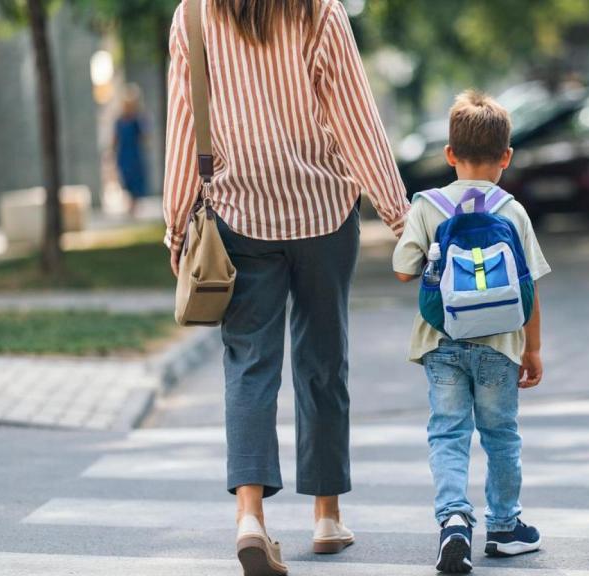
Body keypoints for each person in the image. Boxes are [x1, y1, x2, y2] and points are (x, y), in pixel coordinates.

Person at [162, 1, 409, 575]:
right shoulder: (318, 10)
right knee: (324, 356)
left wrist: (177, 225)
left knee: (249, 362)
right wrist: (399, 217)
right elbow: (356, 119)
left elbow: (183, 124)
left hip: (238, 210)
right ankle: (326, 516)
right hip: (323, 209)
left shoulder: (192, 15)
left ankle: (251, 519)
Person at [392, 90, 551, 574]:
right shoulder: (513, 211)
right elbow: (530, 287)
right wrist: (534, 348)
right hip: (501, 346)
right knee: (501, 434)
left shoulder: (427, 204)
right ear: (506, 157)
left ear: (448, 155)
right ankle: (504, 526)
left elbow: (403, 271)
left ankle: (454, 520)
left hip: (441, 343)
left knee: (448, 432)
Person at [114, 85, 148, 218]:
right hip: (124, 154)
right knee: (126, 179)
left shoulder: (137, 119)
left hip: (135, 154)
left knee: (136, 180)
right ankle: (130, 204)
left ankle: (134, 206)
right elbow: (115, 138)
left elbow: (144, 136)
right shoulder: (119, 120)